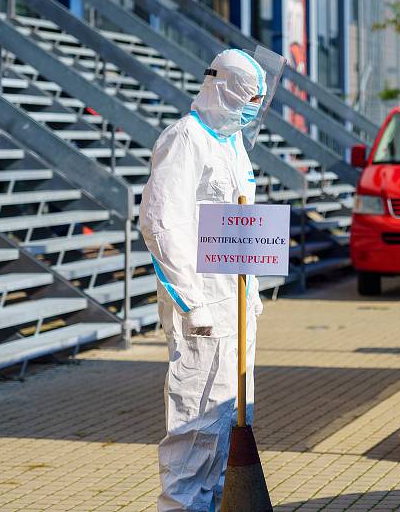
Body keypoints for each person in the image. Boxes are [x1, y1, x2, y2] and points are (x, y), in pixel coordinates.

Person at [139, 49, 266, 512]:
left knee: (230, 419)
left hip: (235, 304)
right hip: (204, 313)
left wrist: (250, 294)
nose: (254, 105)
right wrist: (191, 303)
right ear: (225, 87)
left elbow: (241, 222)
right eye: (250, 96)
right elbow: (160, 224)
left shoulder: (232, 144)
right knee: (195, 422)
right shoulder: (185, 139)